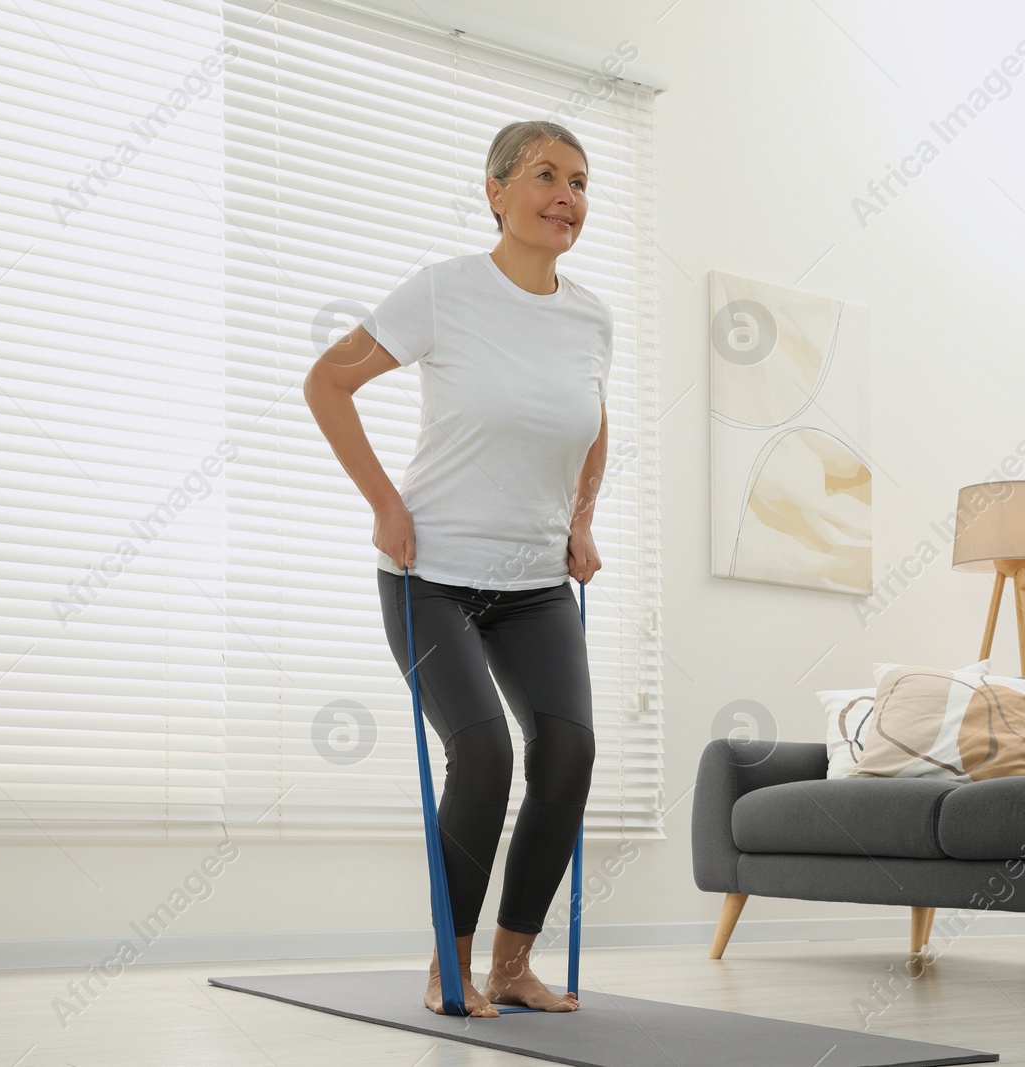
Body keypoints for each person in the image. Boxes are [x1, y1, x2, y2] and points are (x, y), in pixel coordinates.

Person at [303, 120, 612, 1017]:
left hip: (534, 585)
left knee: (570, 752)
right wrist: (383, 505)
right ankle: (452, 962)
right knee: (481, 752)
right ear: (495, 190)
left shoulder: (591, 315)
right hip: (427, 575)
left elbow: (592, 425)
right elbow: (328, 381)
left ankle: (514, 964)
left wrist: (581, 522)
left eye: (581, 182)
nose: (567, 196)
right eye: (546, 176)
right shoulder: (443, 293)